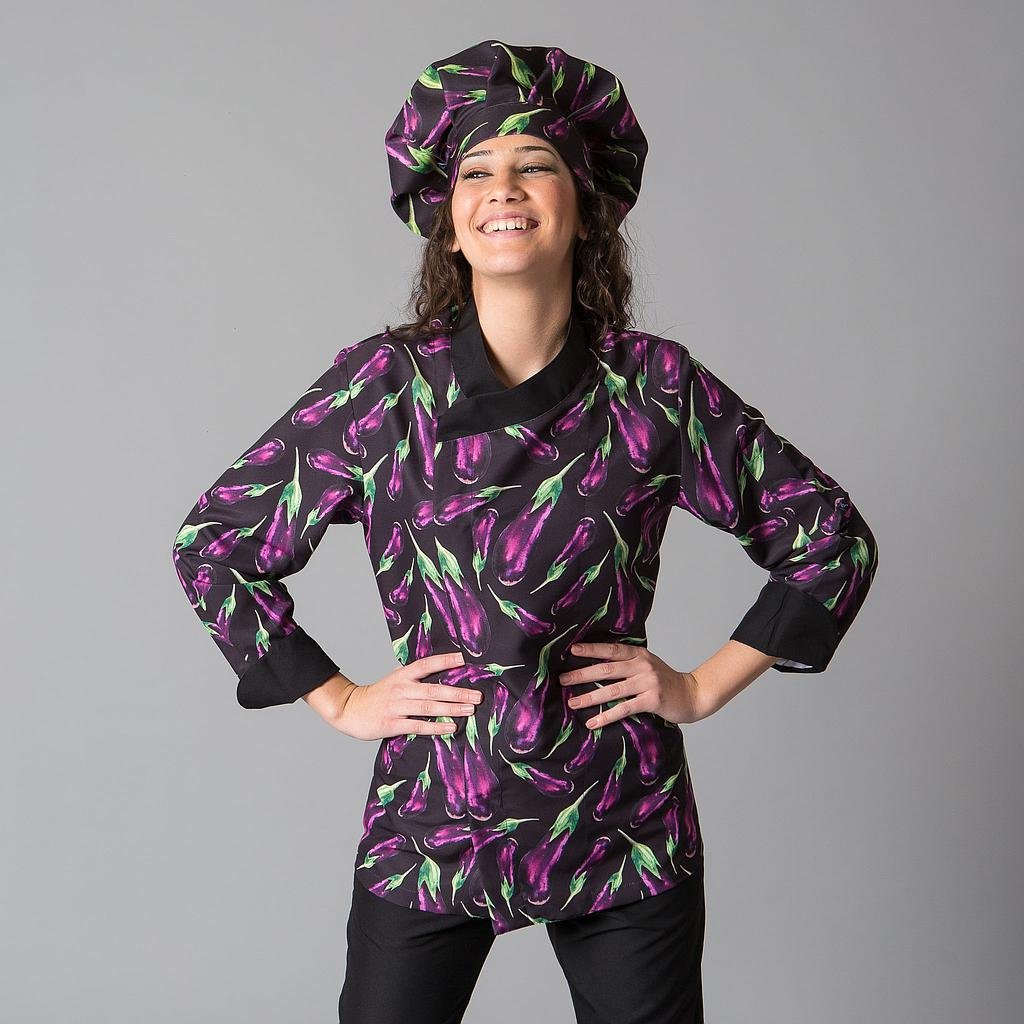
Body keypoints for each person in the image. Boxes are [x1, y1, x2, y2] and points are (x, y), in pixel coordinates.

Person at [171, 38, 879, 1024]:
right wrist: (339, 699)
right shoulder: (383, 389)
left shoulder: (654, 388)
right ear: (447, 221)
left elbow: (829, 537)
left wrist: (700, 686)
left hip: (619, 820)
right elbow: (215, 544)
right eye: (477, 171)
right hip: (433, 814)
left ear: (583, 204)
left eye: (534, 164)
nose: (504, 189)